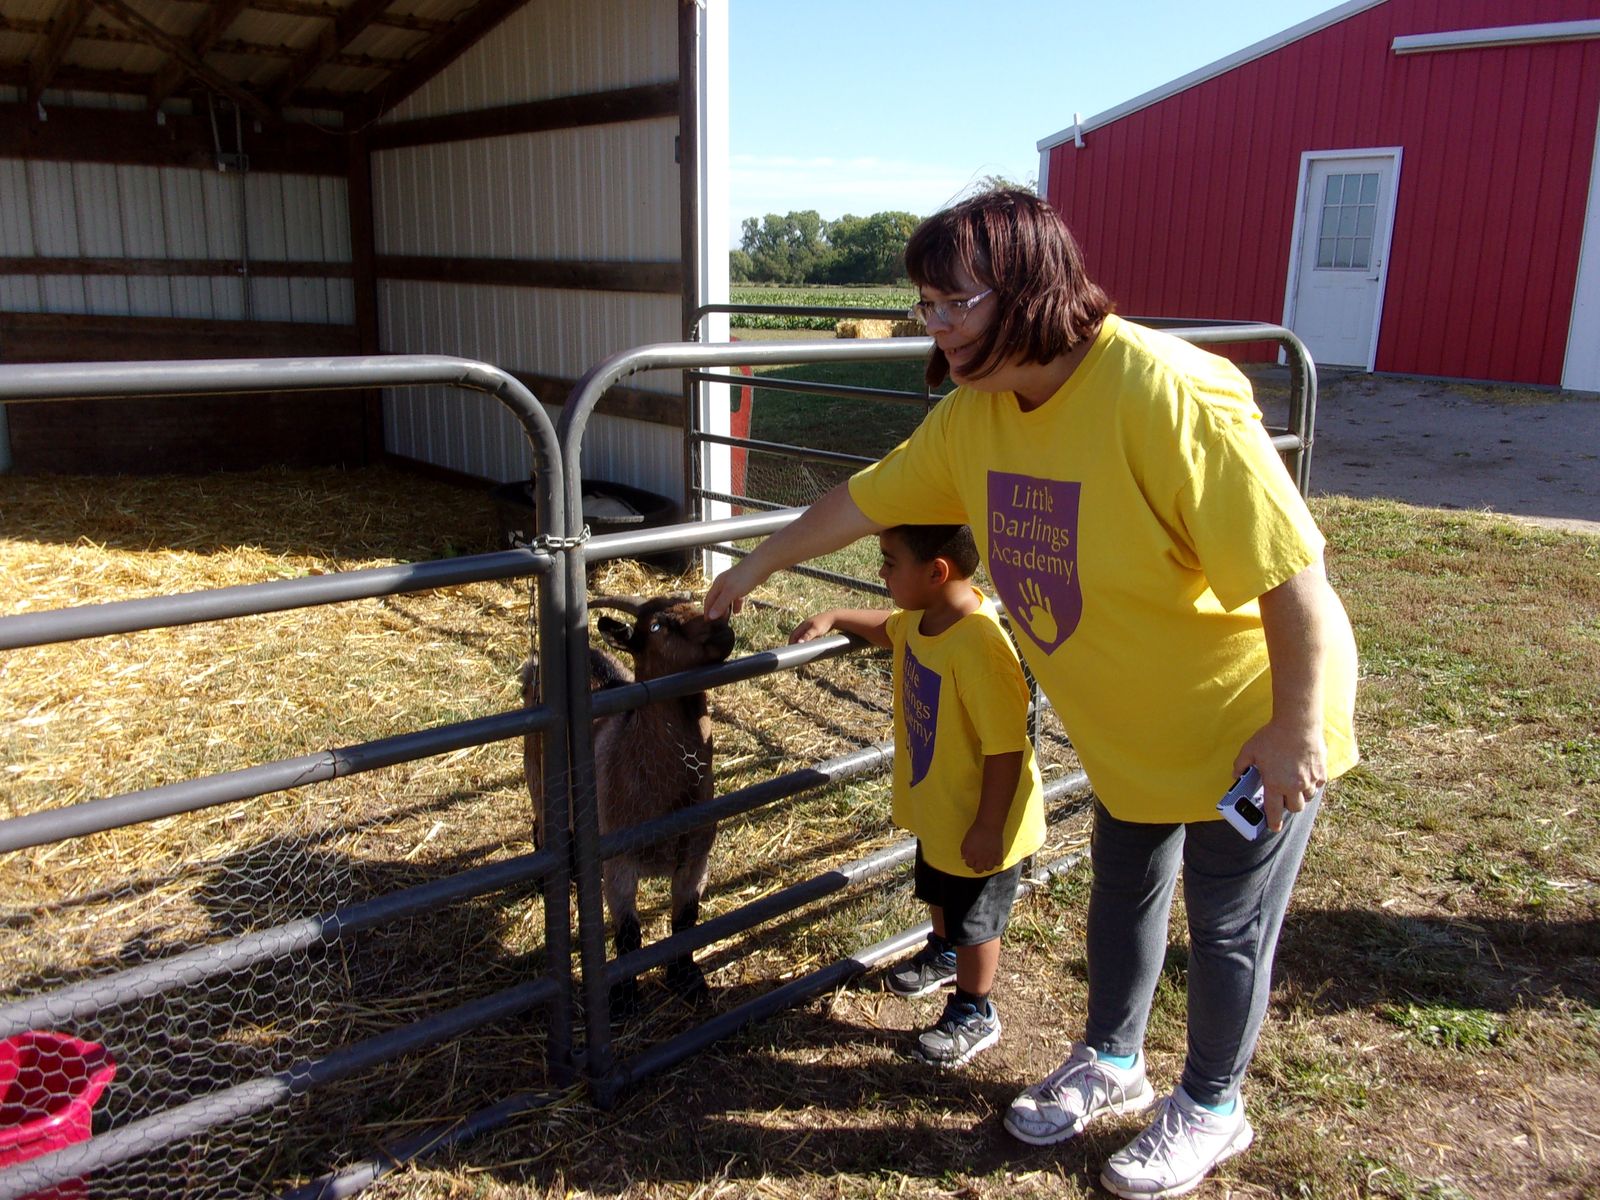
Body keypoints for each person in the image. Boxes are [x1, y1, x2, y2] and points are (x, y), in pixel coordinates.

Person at [706, 188, 1359, 1199]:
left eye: (954, 302)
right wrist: (754, 566)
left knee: (1227, 923)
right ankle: (1112, 1060)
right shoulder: (976, 417)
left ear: (1029, 289)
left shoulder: (1168, 393)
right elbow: (863, 498)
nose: (937, 327)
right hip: (1129, 730)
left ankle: (1211, 1106)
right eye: (925, 305)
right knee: (1123, 896)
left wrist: (1292, 726)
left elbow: (1291, 575)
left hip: (1244, 720)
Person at [790, 523, 1045, 1068]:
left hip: (984, 819)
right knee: (940, 890)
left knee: (977, 919)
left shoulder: (979, 646)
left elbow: (1006, 748)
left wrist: (989, 827)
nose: (880, 572)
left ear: (936, 572)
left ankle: (975, 1009)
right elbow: (889, 628)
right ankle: (945, 952)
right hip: (943, 808)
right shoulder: (925, 618)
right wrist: (835, 615)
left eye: (889, 561)